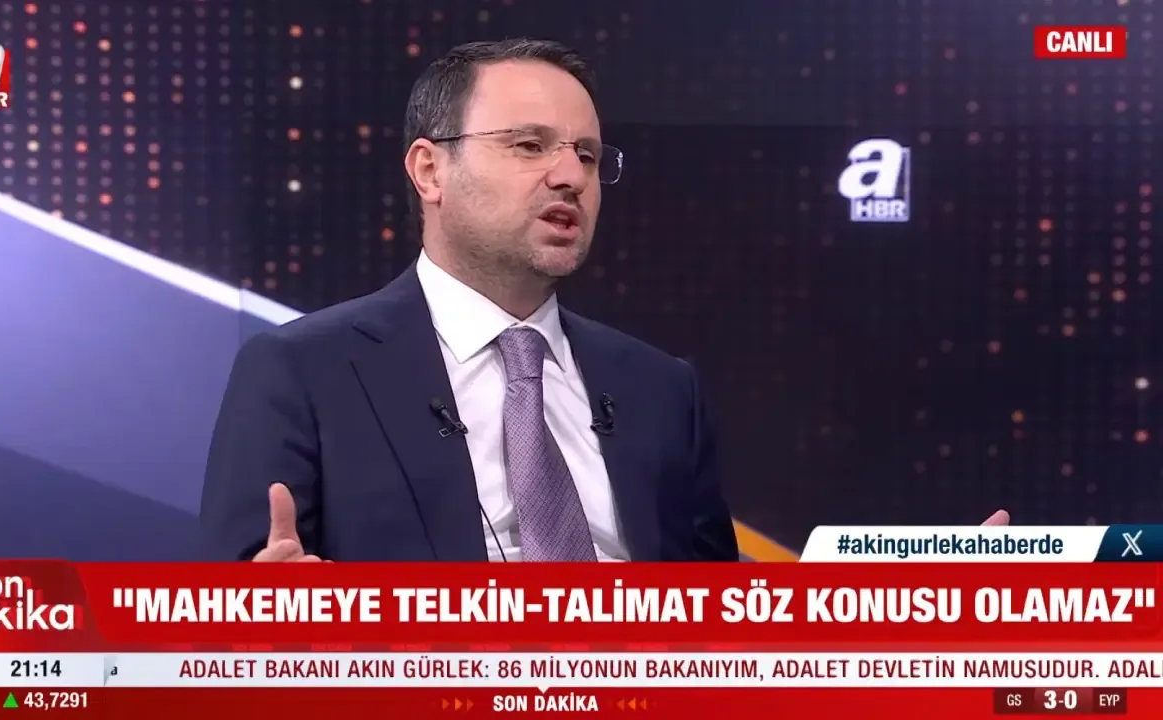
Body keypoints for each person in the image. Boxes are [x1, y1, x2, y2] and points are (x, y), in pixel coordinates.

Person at [200, 39, 1009, 563]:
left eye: (587, 155)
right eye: (528, 145)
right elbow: (219, 630)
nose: (569, 176)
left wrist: (898, 611)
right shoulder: (304, 371)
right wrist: (267, 621)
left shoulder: (660, 388)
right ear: (429, 169)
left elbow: (726, 632)